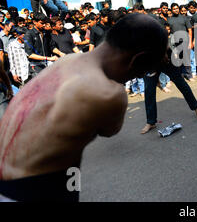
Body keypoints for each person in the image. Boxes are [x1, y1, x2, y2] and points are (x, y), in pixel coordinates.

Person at [0, 14, 168, 202]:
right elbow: (109, 130)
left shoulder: (66, 61)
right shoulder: (109, 93)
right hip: (35, 189)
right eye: (142, 71)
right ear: (137, 60)